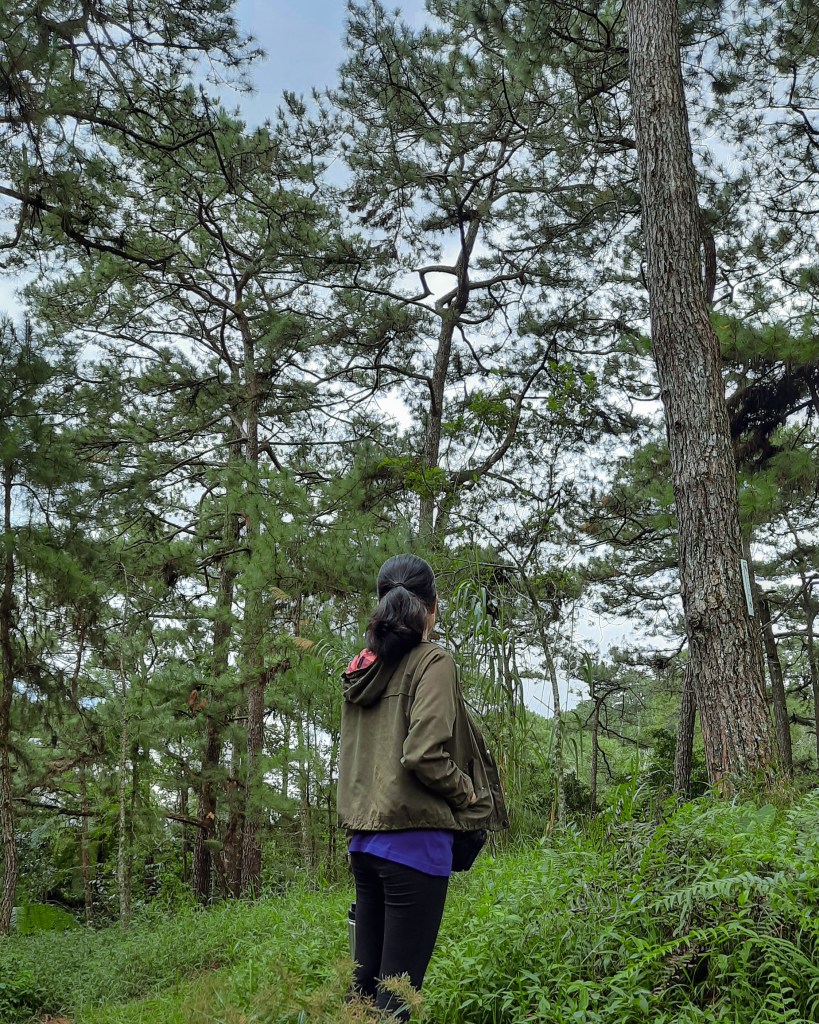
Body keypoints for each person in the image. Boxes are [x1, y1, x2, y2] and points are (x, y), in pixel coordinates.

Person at [338, 554, 507, 1020]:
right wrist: (468, 795)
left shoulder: (361, 671)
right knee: (398, 997)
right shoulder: (433, 661)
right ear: (434, 607)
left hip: (365, 844)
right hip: (414, 845)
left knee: (363, 994)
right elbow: (424, 754)